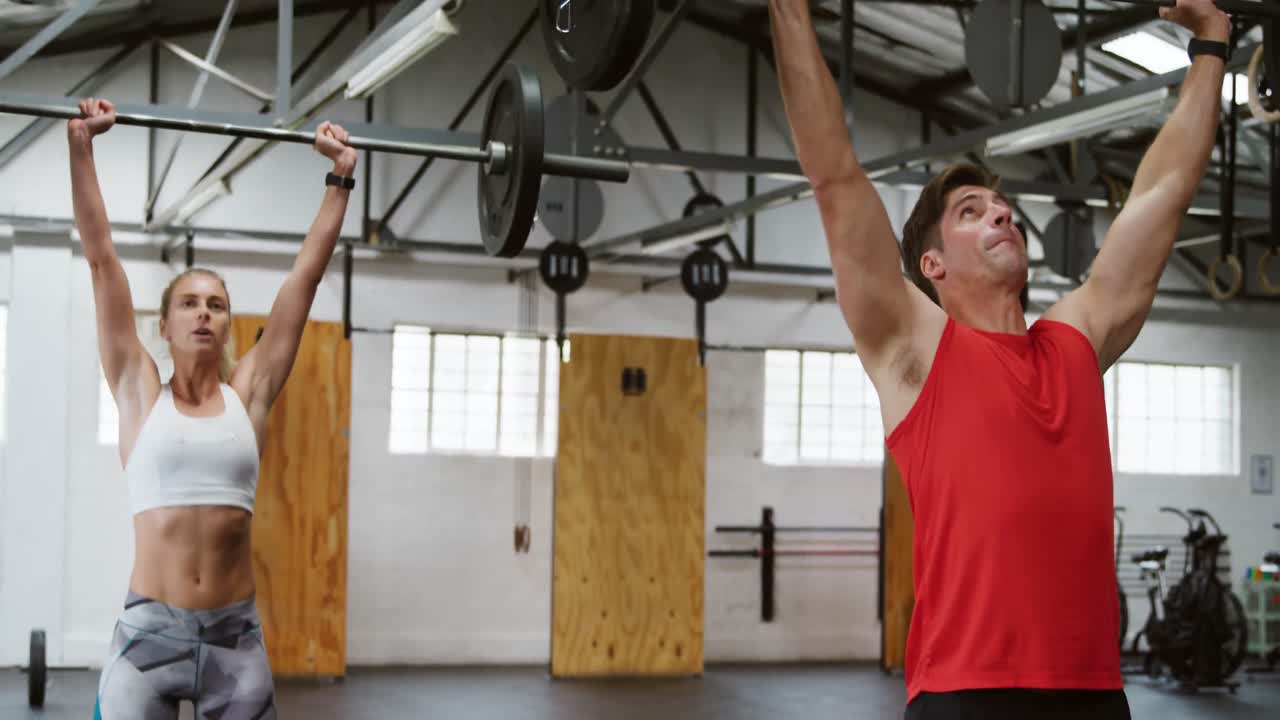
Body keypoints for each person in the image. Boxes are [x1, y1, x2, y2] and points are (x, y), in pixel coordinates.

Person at [767, 0, 1229, 717]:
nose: (1002, 213)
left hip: (1091, 695)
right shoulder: (915, 348)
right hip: (966, 692)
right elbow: (834, 175)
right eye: (971, 212)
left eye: (1000, 206)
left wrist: (1212, 47)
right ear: (932, 265)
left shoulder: (1075, 338)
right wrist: (791, 14)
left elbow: (1165, 193)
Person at [68, 97, 357, 719]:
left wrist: (340, 177)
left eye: (217, 305)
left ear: (228, 326)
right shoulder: (138, 391)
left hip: (235, 639)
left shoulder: (247, 396)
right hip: (147, 637)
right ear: (165, 325)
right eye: (190, 303)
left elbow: (303, 280)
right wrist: (81, 147)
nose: (204, 312)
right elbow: (101, 260)